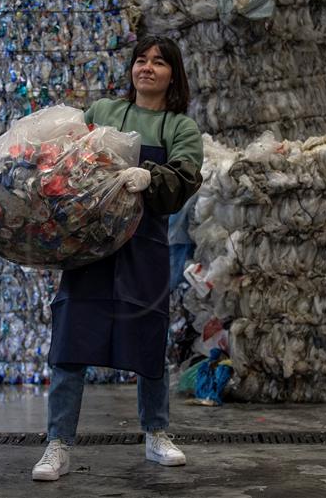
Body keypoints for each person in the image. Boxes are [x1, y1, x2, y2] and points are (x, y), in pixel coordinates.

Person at [32, 35, 204, 481]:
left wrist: (151, 175)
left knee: (149, 335)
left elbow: (185, 177)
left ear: (173, 75)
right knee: (71, 339)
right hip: (90, 248)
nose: (147, 68)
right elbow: (65, 158)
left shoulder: (178, 127)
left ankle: (156, 433)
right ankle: (58, 444)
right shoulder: (103, 113)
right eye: (140, 60)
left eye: (159, 63)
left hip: (142, 249)